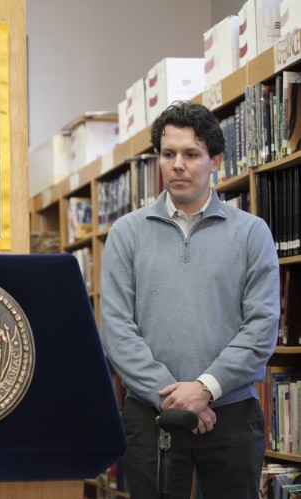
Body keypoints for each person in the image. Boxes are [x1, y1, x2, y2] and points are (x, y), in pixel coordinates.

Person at [100, 100, 280, 499]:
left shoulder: (252, 233)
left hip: (230, 415)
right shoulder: (126, 234)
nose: (177, 164)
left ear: (215, 159)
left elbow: (262, 326)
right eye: (168, 154)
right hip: (151, 415)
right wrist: (173, 395)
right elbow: (116, 329)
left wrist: (204, 389)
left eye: (191, 154)